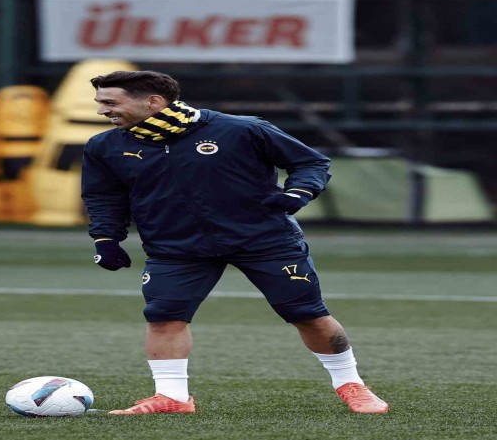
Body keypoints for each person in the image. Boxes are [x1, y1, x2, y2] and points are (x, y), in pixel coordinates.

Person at [80, 70, 389, 415]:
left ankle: (352, 385)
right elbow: (102, 197)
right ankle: (173, 398)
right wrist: (106, 238)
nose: (102, 111)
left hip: (263, 239)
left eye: (110, 102)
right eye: (100, 103)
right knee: (163, 317)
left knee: (307, 314)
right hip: (175, 246)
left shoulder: (241, 129)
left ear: (153, 102)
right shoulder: (103, 146)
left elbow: (310, 162)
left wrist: (299, 192)